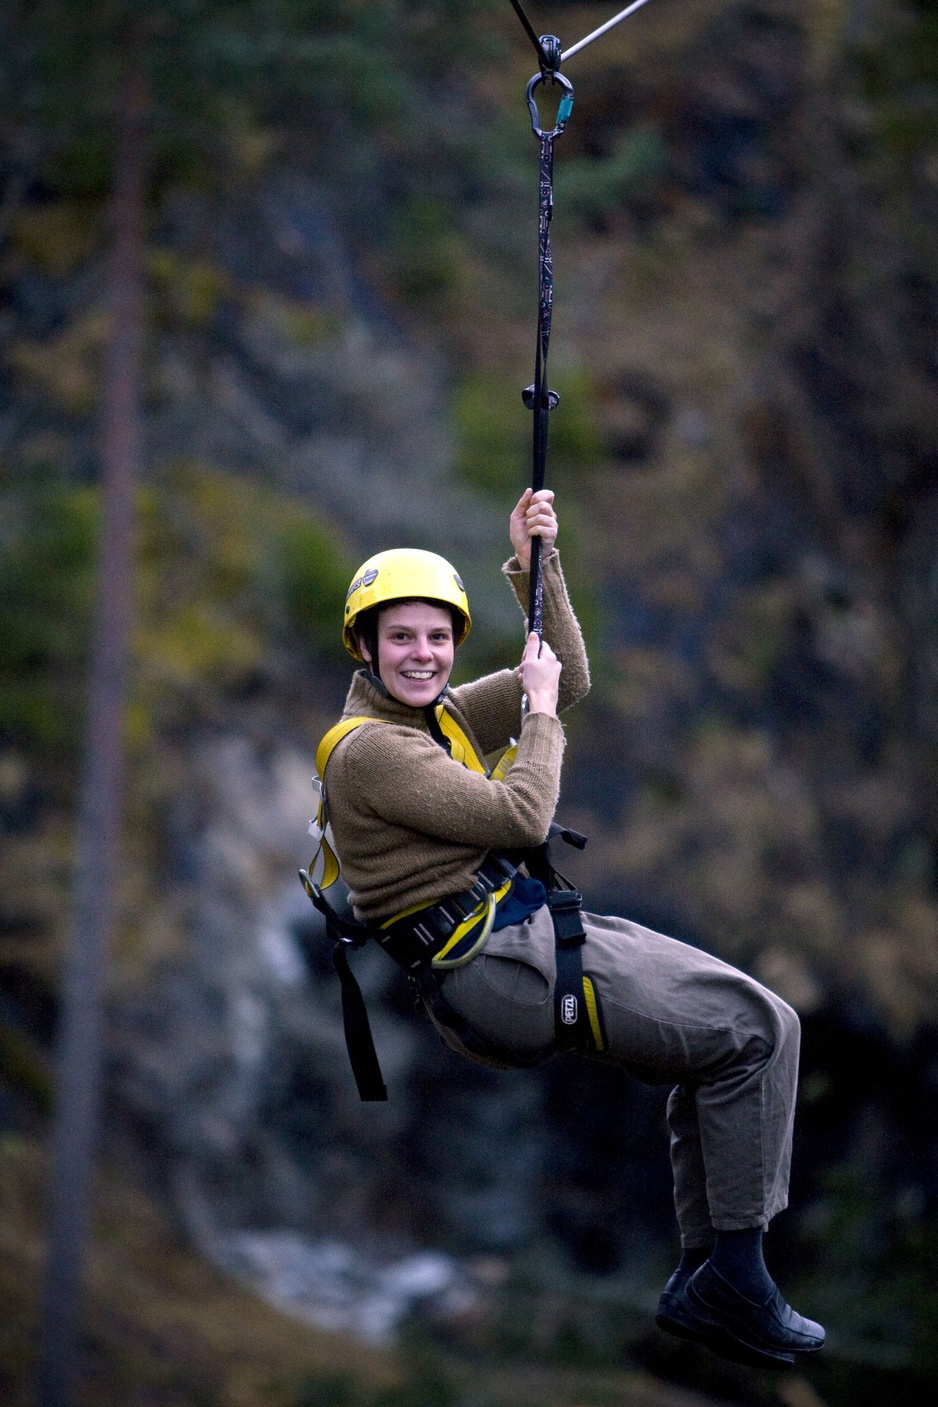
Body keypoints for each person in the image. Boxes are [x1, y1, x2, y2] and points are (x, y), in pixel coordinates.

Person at [315, 488, 825, 1369]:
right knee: (748, 1031)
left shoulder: (431, 719)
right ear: (364, 645)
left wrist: (534, 568)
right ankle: (732, 1273)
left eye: (438, 637)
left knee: (756, 1023)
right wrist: (538, 713)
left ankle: (710, 1270)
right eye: (401, 637)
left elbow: (570, 679)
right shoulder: (374, 750)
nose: (424, 655)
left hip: (525, 931)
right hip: (497, 967)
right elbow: (521, 814)